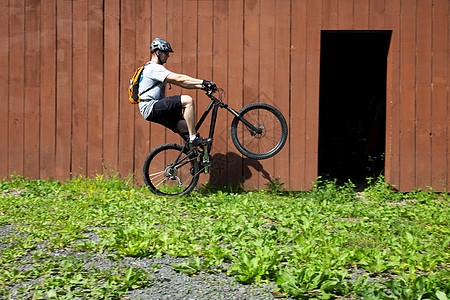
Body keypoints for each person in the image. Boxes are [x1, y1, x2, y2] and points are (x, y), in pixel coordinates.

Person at [138, 38, 216, 147]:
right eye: (166, 53)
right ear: (158, 52)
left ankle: (194, 158)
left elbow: (182, 84)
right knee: (188, 100)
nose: (168, 56)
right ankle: (193, 138)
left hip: (151, 108)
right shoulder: (154, 68)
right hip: (151, 106)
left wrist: (201, 86)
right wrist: (203, 81)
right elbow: (179, 78)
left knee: (185, 127)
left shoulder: (153, 68)